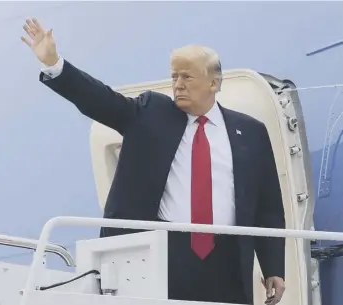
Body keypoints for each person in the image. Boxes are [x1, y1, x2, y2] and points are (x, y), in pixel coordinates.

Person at [21, 18, 286, 305]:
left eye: (187, 77)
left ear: (214, 82)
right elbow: (100, 99)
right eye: (175, 77)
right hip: (164, 253)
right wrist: (55, 64)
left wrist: (274, 268)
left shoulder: (250, 131)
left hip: (227, 260)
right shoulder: (151, 112)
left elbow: (268, 207)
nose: (178, 85)